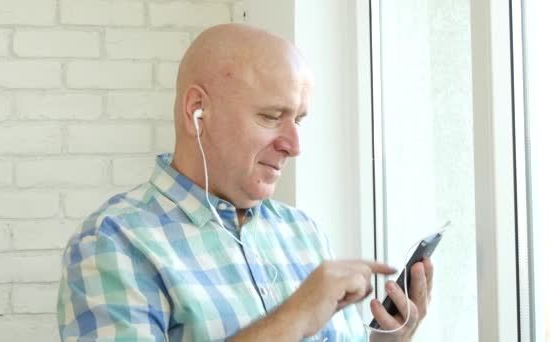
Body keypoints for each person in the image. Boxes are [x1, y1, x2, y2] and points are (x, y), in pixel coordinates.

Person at [57, 23, 433, 341]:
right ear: (196, 112)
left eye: (298, 120)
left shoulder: (303, 232)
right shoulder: (114, 243)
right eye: (271, 116)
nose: (294, 146)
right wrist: (295, 317)